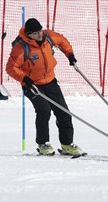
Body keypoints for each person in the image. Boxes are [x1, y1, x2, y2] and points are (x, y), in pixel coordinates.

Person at [6, 18, 86, 156]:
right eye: (35, 33)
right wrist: (24, 78)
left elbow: (62, 41)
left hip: (50, 81)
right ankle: (43, 143)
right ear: (29, 34)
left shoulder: (48, 36)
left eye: (40, 31)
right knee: (44, 111)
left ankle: (67, 144)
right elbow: (11, 67)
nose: (39, 34)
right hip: (32, 85)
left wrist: (70, 55)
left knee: (64, 112)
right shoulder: (21, 47)